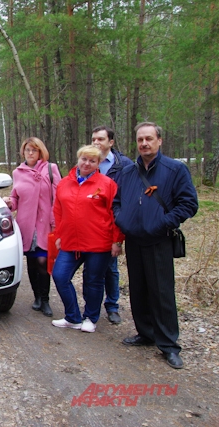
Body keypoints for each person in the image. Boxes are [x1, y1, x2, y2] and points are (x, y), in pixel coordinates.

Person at [113, 122, 198, 369]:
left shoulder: (174, 170)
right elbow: (117, 201)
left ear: (159, 140)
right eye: (140, 140)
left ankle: (169, 345)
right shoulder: (128, 172)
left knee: (161, 293)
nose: (144, 144)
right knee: (139, 289)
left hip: (159, 239)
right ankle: (146, 333)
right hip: (135, 240)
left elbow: (189, 204)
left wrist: (162, 223)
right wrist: (122, 219)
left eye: (149, 139)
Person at [51, 145, 124, 333]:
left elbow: (116, 214)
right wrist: (59, 234)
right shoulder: (65, 183)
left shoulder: (107, 184)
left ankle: (90, 318)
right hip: (70, 242)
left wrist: (117, 240)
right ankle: (73, 317)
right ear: (78, 159)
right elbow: (58, 211)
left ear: (98, 163)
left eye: (92, 161)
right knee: (60, 276)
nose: (87, 163)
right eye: (84, 159)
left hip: (99, 243)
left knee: (93, 281)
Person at [4, 137, 61, 317]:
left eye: (34, 150)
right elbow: (16, 198)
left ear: (40, 152)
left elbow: (59, 197)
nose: (30, 153)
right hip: (27, 224)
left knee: (43, 261)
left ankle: (45, 300)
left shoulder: (51, 169)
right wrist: (9, 203)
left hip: (46, 224)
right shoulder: (18, 172)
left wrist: (55, 221)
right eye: (27, 150)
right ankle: (36, 297)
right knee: (32, 262)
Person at [91, 126, 133, 325]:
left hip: (113, 222)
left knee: (111, 267)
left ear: (111, 142)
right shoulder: (88, 162)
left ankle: (112, 306)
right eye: (93, 139)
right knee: (93, 267)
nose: (96, 143)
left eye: (100, 139)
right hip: (92, 224)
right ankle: (92, 307)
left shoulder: (124, 165)